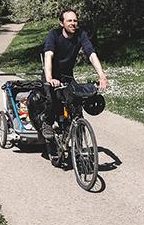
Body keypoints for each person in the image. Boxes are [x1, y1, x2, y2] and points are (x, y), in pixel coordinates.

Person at [32, 9, 109, 151]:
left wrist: (102, 76)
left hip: (67, 76)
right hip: (51, 75)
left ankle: (76, 138)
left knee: (76, 103)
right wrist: (49, 78)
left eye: (75, 20)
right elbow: (48, 55)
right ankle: (47, 125)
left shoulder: (81, 35)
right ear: (62, 23)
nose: (73, 23)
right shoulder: (53, 35)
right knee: (51, 99)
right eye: (69, 21)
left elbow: (91, 54)